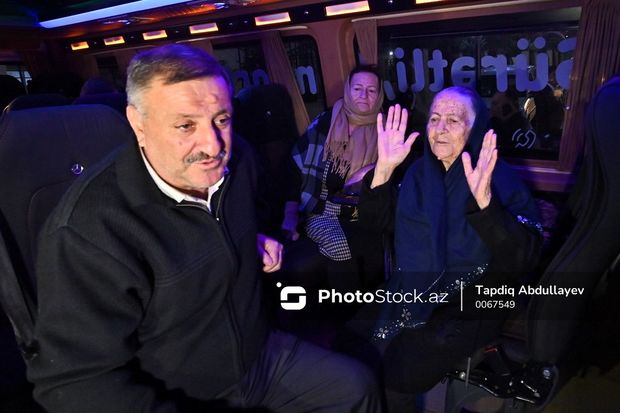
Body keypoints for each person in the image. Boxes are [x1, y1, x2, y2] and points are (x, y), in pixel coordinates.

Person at [28, 44, 382, 413]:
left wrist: (255, 239)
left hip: (257, 354)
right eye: (186, 125)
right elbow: (76, 384)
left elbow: (232, 223)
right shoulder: (91, 228)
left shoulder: (239, 160)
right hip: (180, 387)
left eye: (222, 120)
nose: (213, 145)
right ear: (138, 124)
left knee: (357, 388)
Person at [357, 86, 543, 411]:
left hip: (475, 300)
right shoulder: (418, 173)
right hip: (412, 287)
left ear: (475, 128)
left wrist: (487, 207)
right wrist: (383, 169)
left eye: (453, 120)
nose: (440, 129)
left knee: (398, 374)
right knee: (355, 344)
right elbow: (376, 224)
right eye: (434, 118)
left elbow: (523, 258)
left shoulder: (497, 178)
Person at [283, 66, 386, 294]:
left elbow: (390, 177)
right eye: (357, 88)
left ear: (379, 95)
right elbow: (294, 167)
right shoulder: (327, 121)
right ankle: (348, 307)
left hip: (361, 210)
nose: (364, 95)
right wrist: (290, 214)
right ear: (348, 90)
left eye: (371, 90)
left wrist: (371, 169)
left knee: (375, 250)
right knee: (340, 247)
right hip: (319, 208)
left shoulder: (385, 129)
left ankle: (369, 305)